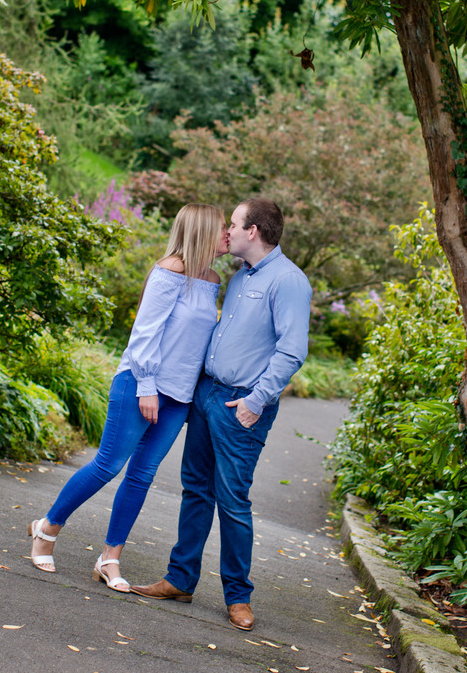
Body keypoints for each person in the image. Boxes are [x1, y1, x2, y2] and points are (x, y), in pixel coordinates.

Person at [130, 198, 311, 632]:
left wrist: (257, 399)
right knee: (195, 489)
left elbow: (292, 350)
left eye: (233, 224)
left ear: (254, 232)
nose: (225, 232)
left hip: (242, 405)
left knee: (232, 500)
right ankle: (180, 579)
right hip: (207, 394)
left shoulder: (288, 282)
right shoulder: (239, 275)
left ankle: (238, 597)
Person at [27, 203, 229, 592]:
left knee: (142, 475)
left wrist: (186, 396)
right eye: (223, 228)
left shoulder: (213, 279)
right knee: (108, 465)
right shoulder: (169, 271)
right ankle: (47, 529)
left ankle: (109, 558)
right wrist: (149, 387)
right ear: (203, 230)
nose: (228, 235)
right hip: (140, 384)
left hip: (178, 397)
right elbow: (145, 333)